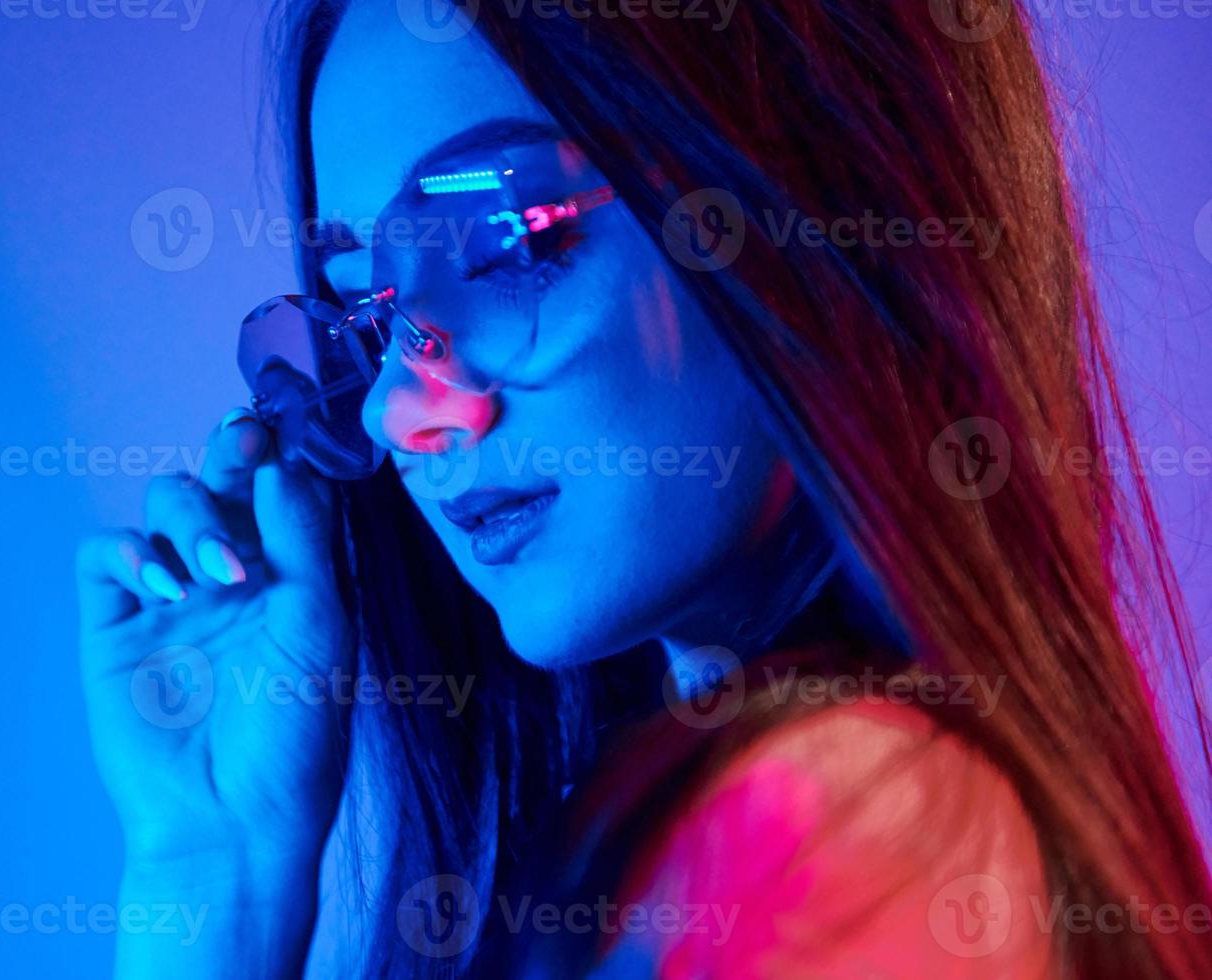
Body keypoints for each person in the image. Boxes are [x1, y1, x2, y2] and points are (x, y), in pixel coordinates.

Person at [77, 0, 1212, 975]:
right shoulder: (845, 816)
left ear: (802, 194)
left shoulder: (835, 821)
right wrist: (213, 869)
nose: (395, 410)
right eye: (362, 312)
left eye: (506, 242)